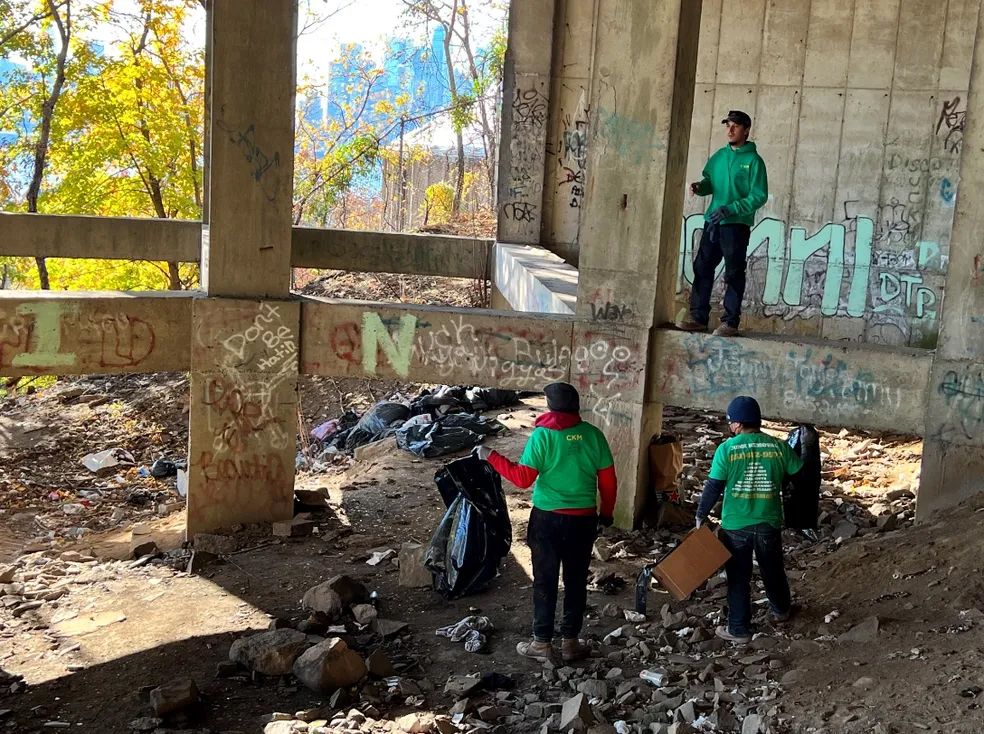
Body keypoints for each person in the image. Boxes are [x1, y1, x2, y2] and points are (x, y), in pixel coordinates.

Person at [475, 382, 617, 663]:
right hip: (582, 520)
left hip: (547, 521)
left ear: (550, 406)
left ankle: (541, 643)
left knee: (545, 581)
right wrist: (607, 515)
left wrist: (490, 456)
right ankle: (570, 642)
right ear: (576, 407)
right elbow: (609, 483)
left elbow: (523, 479)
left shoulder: (542, 436)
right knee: (576, 581)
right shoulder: (594, 435)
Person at [694, 396, 802, 643]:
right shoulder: (778, 447)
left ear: (738, 424)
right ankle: (781, 610)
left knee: (738, 577)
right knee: (772, 568)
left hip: (735, 526)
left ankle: (739, 628)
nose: (730, 426)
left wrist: (701, 515)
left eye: (731, 422)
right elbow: (798, 473)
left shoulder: (727, 449)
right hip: (768, 521)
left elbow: (714, 486)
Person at [677, 110, 768, 337]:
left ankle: (730, 322)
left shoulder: (754, 161)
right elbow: (711, 183)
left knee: (734, 273)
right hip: (713, 222)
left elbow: (759, 196)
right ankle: (698, 318)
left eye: (735, 126)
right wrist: (700, 187)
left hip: (736, 224)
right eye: (727, 125)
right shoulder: (719, 156)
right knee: (702, 268)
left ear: (746, 130)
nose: (730, 130)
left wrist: (733, 208)